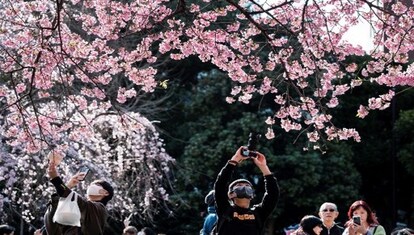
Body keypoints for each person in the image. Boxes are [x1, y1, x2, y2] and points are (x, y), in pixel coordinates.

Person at [213, 146, 280, 235]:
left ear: (252, 195)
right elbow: (220, 184)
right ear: (231, 194)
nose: (244, 187)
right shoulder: (225, 209)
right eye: (239, 186)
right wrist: (235, 159)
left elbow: (273, 194)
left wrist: (263, 167)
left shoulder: (258, 213)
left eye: (247, 186)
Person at [44, 157, 114, 235]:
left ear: (105, 193)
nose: (91, 186)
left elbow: (75, 200)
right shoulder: (80, 208)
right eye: (91, 184)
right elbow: (53, 217)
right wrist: (68, 185)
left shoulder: (99, 209)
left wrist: (56, 179)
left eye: (96, 184)